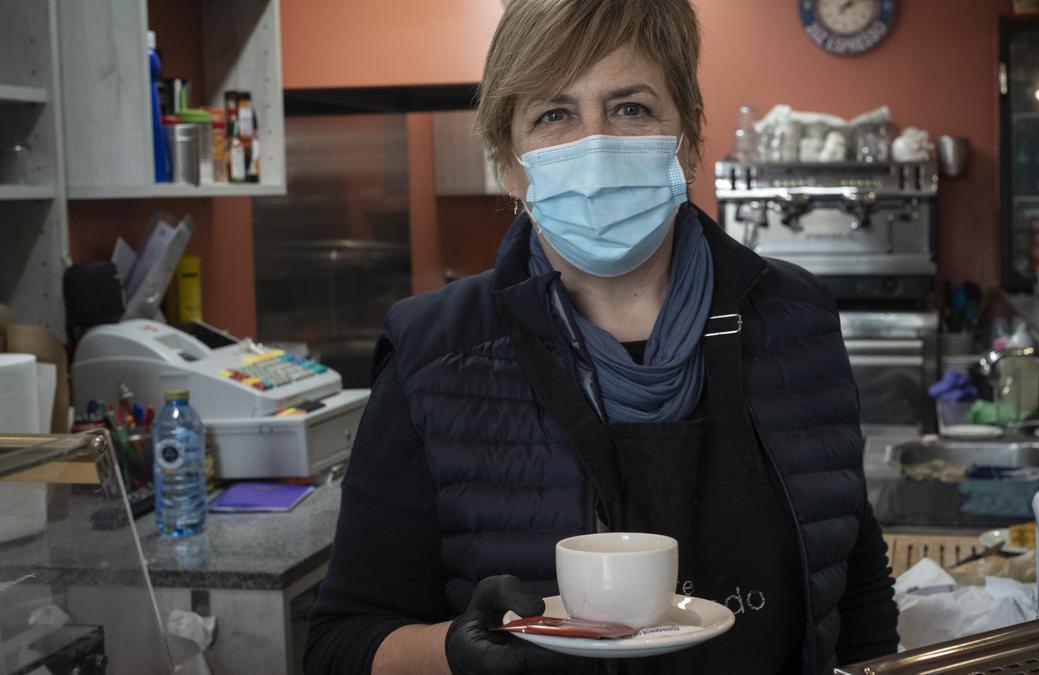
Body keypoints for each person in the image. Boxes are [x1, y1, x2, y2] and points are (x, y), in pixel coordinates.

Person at [304, 0, 899, 673]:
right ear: (509, 162)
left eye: (631, 108)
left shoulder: (798, 318)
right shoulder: (432, 352)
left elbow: (855, 581)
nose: (596, 144)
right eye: (554, 115)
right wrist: (452, 652)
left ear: (691, 137)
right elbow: (340, 645)